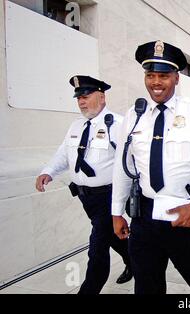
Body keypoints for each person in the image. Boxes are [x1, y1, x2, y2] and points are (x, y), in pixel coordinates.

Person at [111, 40, 190, 294]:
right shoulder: (134, 115)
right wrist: (117, 212)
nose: (156, 83)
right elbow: (122, 167)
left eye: (163, 76)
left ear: (177, 78)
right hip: (145, 217)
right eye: (150, 75)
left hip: (185, 213)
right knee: (146, 284)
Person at [35, 75, 133, 294]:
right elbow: (64, 154)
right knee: (110, 236)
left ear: (102, 97)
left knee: (97, 247)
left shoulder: (117, 124)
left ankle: (89, 290)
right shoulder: (76, 126)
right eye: (78, 97)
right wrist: (48, 171)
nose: (81, 101)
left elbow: (130, 163)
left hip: (108, 196)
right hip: (85, 197)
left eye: (86, 96)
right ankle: (132, 259)